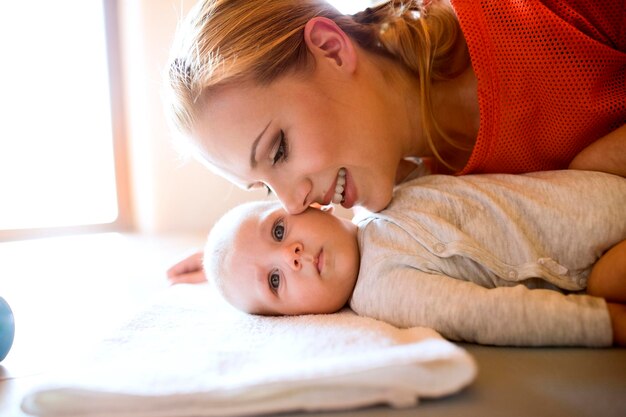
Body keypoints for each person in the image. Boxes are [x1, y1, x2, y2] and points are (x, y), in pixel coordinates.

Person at [164, 0, 626, 282]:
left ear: (330, 47)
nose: (294, 203)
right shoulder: (425, 210)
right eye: (264, 188)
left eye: (279, 150)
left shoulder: (529, 15)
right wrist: (250, 266)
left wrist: (598, 167)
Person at [201, 170, 626, 347]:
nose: (289, 257)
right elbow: (481, 313)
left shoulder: (378, 191)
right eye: (274, 281)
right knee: (611, 281)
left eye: (278, 231)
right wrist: (603, 322)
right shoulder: (381, 290)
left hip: (592, 190)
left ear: (312, 204)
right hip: (590, 256)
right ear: (295, 317)